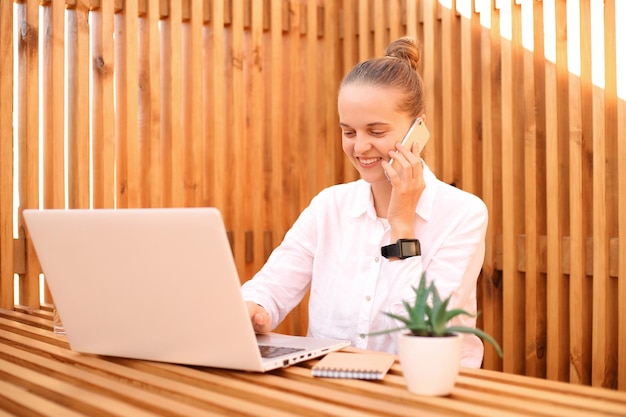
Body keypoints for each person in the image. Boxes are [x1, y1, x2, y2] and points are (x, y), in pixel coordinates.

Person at [241, 37, 488, 368]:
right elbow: (271, 287)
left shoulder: (463, 214)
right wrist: (254, 307)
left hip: (424, 391)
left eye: (376, 132)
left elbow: (424, 332)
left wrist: (401, 225)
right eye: (349, 132)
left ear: (419, 129)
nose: (359, 148)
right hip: (333, 391)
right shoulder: (329, 206)